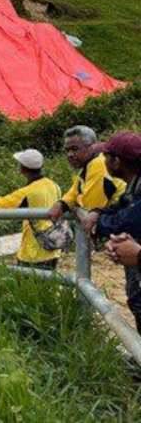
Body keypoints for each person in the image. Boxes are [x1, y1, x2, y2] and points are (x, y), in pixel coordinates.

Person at [78, 132, 141, 329]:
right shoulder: (135, 184)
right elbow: (121, 209)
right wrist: (99, 212)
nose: (102, 161)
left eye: (105, 156)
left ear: (116, 161)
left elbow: (126, 220)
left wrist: (101, 223)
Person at [0, 149, 62, 270]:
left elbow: (3, 203)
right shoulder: (54, 185)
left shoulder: (28, 191)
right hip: (54, 245)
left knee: (28, 285)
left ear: (23, 169)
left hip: (33, 251)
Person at [46, 125, 125, 221]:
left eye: (75, 149)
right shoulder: (89, 164)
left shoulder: (99, 164)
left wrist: (75, 208)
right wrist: (62, 204)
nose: (70, 155)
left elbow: (88, 208)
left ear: (91, 146)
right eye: (67, 150)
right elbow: (74, 191)